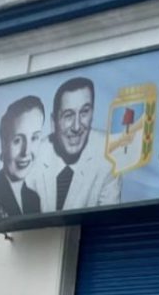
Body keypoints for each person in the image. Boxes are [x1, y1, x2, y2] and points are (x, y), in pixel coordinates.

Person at [31, 76, 121, 212]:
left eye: (84, 112)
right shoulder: (34, 156)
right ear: (53, 122)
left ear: (92, 114)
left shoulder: (109, 152)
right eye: (68, 115)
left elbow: (109, 219)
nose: (77, 126)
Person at [0, 95, 45, 221]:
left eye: (34, 138)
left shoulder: (33, 199)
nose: (26, 151)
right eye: (17, 140)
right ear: (3, 144)